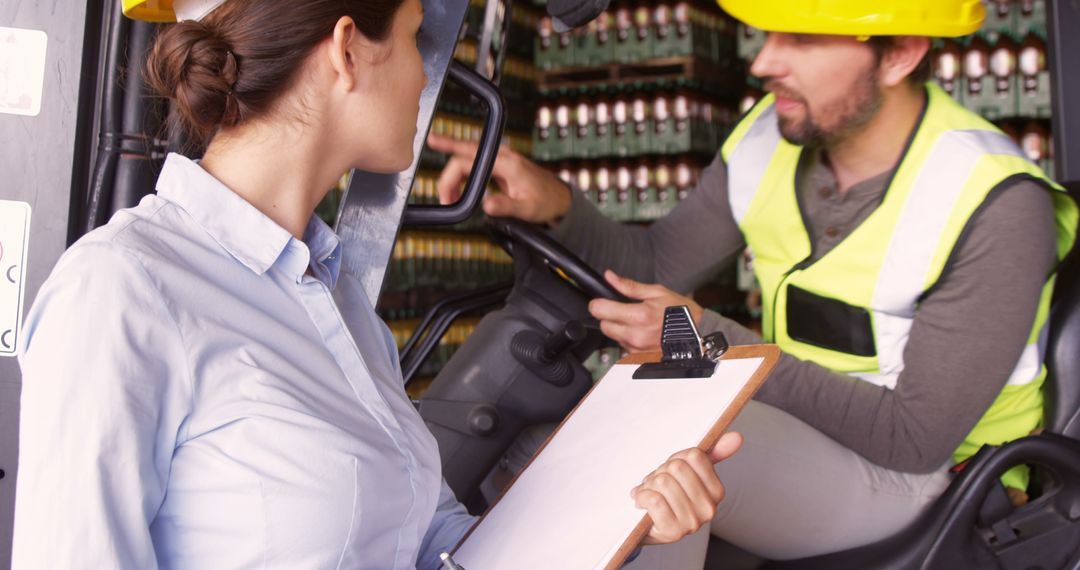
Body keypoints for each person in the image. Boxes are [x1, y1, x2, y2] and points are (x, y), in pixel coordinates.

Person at [12, 0, 743, 567]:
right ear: (348, 50)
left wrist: (624, 511)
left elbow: (431, 543)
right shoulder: (122, 293)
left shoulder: (336, 301)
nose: (427, 73)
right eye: (418, 36)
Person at [429, 0, 1079, 560]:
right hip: (800, 432)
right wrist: (553, 201)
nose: (764, 62)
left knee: (653, 472)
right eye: (770, 34)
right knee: (546, 448)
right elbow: (656, 268)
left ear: (900, 53)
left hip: (940, 482)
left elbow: (914, 439)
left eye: (799, 38)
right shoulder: (769, 139)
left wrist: (708, 337)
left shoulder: (995, 203)